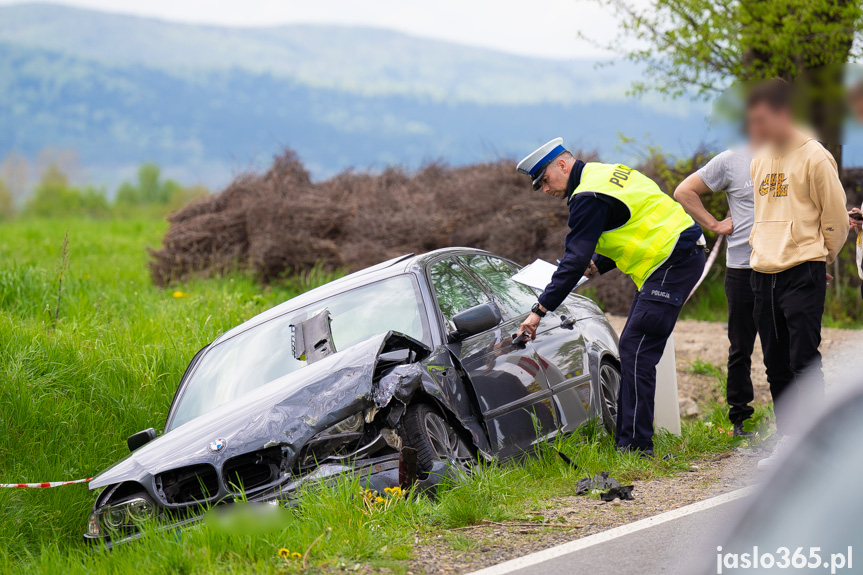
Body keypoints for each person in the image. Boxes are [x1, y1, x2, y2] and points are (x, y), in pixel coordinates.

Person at [515, 138, 705, 457]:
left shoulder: (586, 196)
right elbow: (634, 225)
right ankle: (630, 443)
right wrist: (598, 264)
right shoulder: (606, 173)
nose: (545, 190)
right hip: (678, 254)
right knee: (633, 349)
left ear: (562, 165)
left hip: (673, 260)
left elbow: (573, 259)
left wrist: (539, 310)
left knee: (636, 349)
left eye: (545, 181)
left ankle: (637, 447)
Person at [745, 79, 849, 470]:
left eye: (762, 119)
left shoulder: (815, 157)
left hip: (802, 267)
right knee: (774, 361)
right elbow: (761, 213)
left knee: (803, 357)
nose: (756, 128)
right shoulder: (759, 159)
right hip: (763, 271)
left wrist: (820, 258)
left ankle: (816, 442)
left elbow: (836, 218)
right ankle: (790, 438)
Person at [674, 136, 761, 437]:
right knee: (741, 346)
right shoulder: (730, 160)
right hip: (741, 267)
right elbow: (684, 191)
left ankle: (796, 422)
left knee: (787, 345)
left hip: (784, 265)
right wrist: (714, 224)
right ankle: (741, 419)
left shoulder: (796, 154)